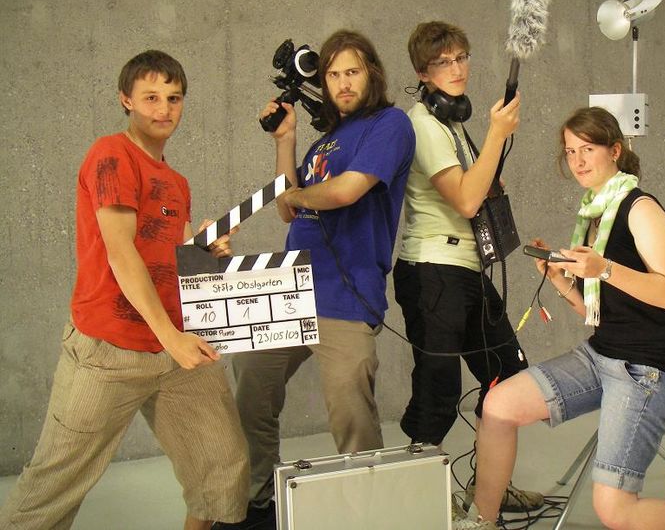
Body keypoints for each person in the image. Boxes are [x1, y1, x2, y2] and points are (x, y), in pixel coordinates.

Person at [454, 106, 665, 530]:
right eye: (570, 151)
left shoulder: (639, 209)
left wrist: (604, 269)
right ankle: (481, 521)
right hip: (603, 354)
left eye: (588, 149)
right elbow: (598, 312)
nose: (578, 161)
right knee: (498, 405)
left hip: (651, 368)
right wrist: (560, 280)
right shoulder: (595, 211)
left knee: (614, 508)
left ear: (615, 150)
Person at [0, 50, 249, 530]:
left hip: (176, 350)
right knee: (53, 486)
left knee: (223, 469)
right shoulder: (111, 155)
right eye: (151, 97)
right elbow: (121, 253)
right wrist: (172, 338)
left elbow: (167, 255)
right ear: (125, 100)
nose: (164, 109)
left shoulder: (176, 182)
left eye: (174, 98)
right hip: (108, 350)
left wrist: (204, 249)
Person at [218, 30, 415, 530]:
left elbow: (346, 191)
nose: (343, 83)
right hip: (292, 289)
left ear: (371, 73)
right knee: (251, 380)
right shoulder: (324, 141)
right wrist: (286, 141)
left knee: (350, 407)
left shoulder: (389, 124)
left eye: (352, 72)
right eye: (333, 75)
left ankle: (368, 511)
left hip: (346, 295)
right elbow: (288, 209)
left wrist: (298, 196)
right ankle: (258, 499)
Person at [392, 21, 542, 513]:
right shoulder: (423, 123)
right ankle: (421, 506)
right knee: (438, 391)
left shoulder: (452, 120)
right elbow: (466, 199)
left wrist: (490, 150)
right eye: (443, 62)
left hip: (465, 269)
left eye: (461, 58)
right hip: (433, 270)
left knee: (508, 376)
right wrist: (497, 134)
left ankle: (488, 490)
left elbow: (481, 187)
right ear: (422, 72)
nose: (456, 69)